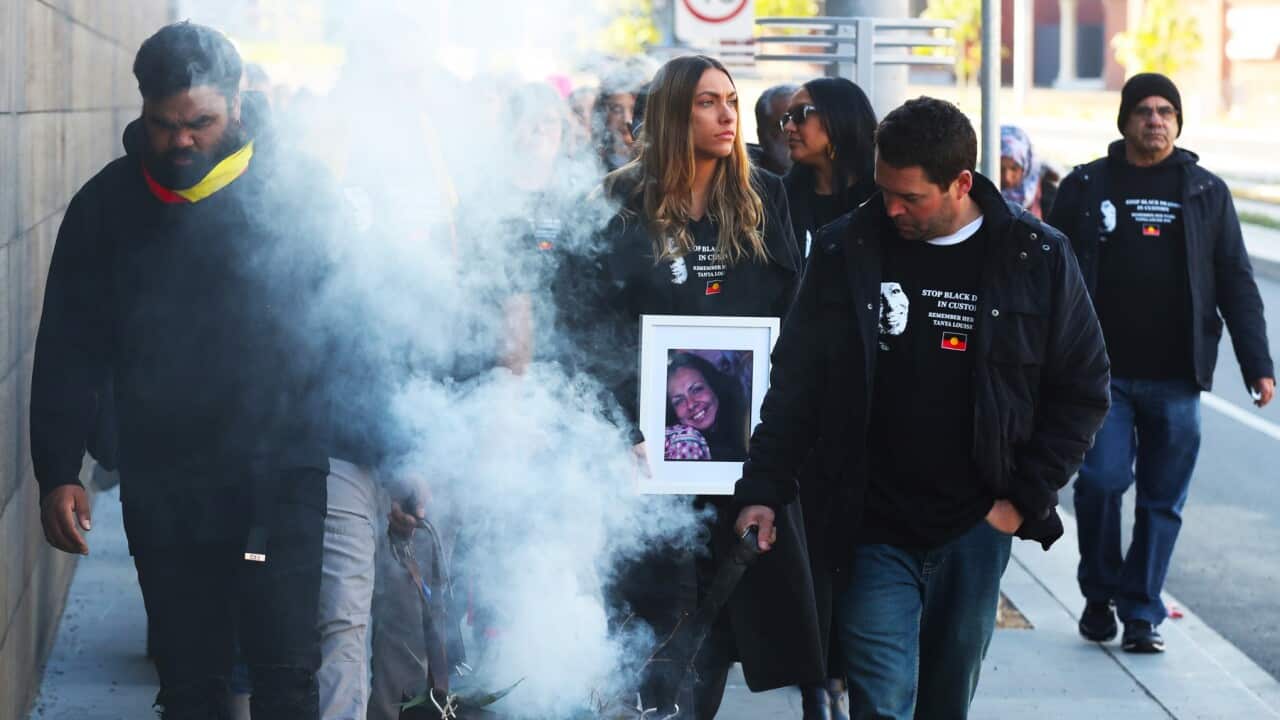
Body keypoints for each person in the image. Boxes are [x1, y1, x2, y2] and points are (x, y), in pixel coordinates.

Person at [733, 97, 1111, 720]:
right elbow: (797, 383)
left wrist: (1022, 500)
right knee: (880, 700)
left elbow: (1084, 387)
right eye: (884, 190)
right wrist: (764, 488)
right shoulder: (843, 249)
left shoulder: (1035, 255)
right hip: (871, 525)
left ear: (961, 182)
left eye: (911, 197)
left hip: (977, 526)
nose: (892, 209)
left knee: (944, 700)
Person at [31, 22, 339, 719]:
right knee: (191, 681)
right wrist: (57, 469)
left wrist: (394, 453)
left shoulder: (300, 194)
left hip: (280, 479)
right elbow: (70, 345)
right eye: (165, 124)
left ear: (238, 100)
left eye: (200, 122)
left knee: (286, 673)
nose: (181, 141)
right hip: (165, 479)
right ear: (143, 109)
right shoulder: (105, 205)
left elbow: (347, 326)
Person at [589, 54, 821, 718]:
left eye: (732, 101)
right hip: (642, 454)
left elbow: (793, 320)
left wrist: (778, 433)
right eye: (707, 102)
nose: (727, 116)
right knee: (653, 611)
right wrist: (619, 430)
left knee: (727, 607)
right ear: (671, 114)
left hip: (743, 452)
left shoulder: (765, 196)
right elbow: (587, 326)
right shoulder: (619, 201)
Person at [1048, 73, 1275, 654]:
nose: (1155, 119)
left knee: (1161, 500)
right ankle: (1100, 591)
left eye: (1166, 110)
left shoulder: (1204, 191)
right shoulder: (1085, 185)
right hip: (1100, 378)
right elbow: (1050, 276)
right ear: (1124, 120)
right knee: (1099, 485)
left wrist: (1257, 364)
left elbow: (1235, 280)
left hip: (1177, 376)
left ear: (1178, 121)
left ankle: (1141, 612)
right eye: (1144, 110)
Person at [780, 78, 879, 262]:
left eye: (801, 114)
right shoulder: (779, 198)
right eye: (787, 118)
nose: (788, 127)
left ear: (839, 117)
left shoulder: (884, 199)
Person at [664, 352, 750, 462]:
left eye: (697, 389)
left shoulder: (745, 421)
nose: (690, 404)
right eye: (679, 401)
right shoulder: (682, 445)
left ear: (713, 385)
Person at [592, 74, 646, 173]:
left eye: (634, 110)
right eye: (617, 110)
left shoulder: (658, 165)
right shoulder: (593, 165)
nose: (627, 119)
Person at [747, 83, 799, 176]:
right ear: (762, 135)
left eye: (800, 120)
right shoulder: (744, 178)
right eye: (784, 123)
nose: (796, 130)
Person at [1000, 125, 1046, 219]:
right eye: (1000, 169)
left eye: (1014, 169)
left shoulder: (1047, 194)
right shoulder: (980, 197)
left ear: (1027, 167)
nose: (1007, 178)